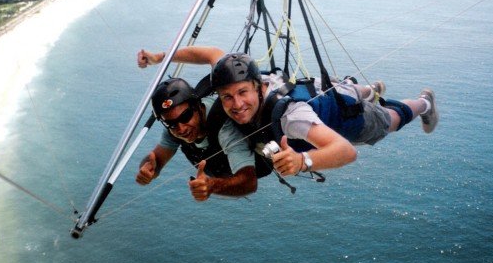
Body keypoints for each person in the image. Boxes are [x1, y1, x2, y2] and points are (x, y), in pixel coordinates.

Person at [137, 46, 439, 178]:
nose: (236, 104)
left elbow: (346, 151)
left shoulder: (289, 118)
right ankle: (369, 89)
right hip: (322, 88)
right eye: (227, 97)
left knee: (390, 120)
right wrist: (160, 58)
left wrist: (303, 160)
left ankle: (423, 103)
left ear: (257, 87)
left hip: (343, 118)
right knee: (346, 91)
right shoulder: (231, 73)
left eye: (243, 93)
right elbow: (209, 54)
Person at [135, 77, 261, 201]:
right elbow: (156, 159)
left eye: (186, 117)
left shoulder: (224, 128)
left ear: (198, 106)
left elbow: (250, 182)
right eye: (171, 124)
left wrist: (212, 185)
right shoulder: (174, 128)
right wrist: (147, 170)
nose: (181, 129)